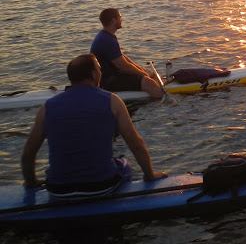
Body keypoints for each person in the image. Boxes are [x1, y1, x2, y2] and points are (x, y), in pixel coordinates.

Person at [21, 54, 167, 197]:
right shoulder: (112, 101)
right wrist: (150, 175)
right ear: (93, 74)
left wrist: (31, 182)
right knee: (124, 164)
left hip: (57, 189)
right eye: (99, 69)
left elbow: (28, 153)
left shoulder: (46, 108)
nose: (101, 72)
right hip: (100, 187)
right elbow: (135, 143)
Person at [90, 8, 164, 99]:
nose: (121, 19)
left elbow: (122, 58)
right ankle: (165, 102)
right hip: (108, 81)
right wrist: (144, 75)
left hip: (113, 75)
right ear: (113, 20)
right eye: (120, 17)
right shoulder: (106, 39)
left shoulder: (107, 36)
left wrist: (141, 69)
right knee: (149, 83)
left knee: (147, 72)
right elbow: (123, 66)